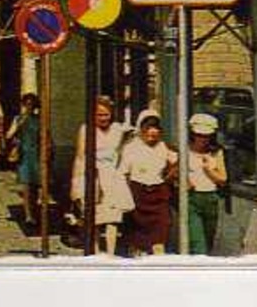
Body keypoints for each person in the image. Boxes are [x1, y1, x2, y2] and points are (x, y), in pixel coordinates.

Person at [71, 95, 135, 255]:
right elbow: (79, 157)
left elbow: (135, 136)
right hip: (93, 175)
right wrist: (75, 182)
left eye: (106, 114)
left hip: (112, 176)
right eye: (99, 115)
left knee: (113, 217)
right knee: (95, 217)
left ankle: (111, 253)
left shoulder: (118, 129)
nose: (103, 118)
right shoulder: (86, 129)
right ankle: (96, 250)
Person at [118, 110, 178, 255]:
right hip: (138, 194)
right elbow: (123, 173)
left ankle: (159, 264)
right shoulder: (131, 148)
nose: (152, 134)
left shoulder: (164, 147)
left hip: (158, 194)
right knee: (137, 236)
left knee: (160, 231)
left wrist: (168, 178)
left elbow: (178, 164)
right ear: (141, 130)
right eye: (148, 130)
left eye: (156, 130)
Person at [185, 112, 229, 254]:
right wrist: (185, 181)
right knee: (198, 244)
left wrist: (208, 170)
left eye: (206, 135)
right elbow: (176, 173)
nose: (203, 139)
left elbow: (223, 180)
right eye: (199, 135)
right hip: (192, 199)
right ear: (193, 134)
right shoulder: (185, 150)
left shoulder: (216, 152)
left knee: (209, 242)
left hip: (211, 199)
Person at [7, 93, 46, 228]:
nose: (29, 107)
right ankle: (28, 215)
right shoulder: (18, 119)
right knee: (26, 186)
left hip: (36, 154)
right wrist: (19, 125)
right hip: (24, 155)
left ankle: (34, 211)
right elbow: (8, 135)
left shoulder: (39, 119)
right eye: (27, 104)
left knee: (35, 187)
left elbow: (45, 136)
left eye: (31, 104)